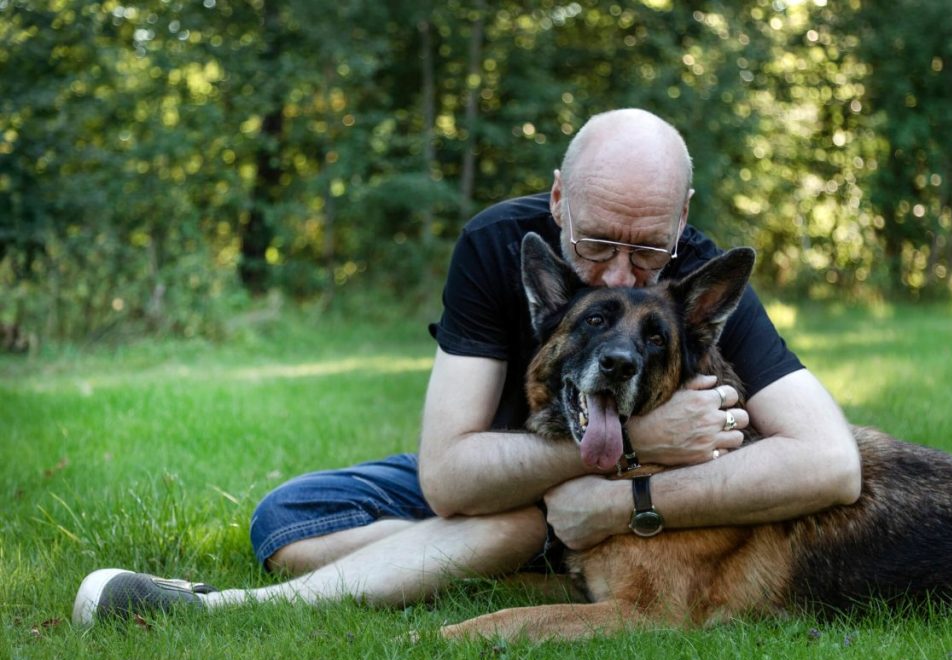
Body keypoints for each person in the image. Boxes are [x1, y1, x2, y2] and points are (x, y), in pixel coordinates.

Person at [72, 108, 860, 625]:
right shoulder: (495, 244)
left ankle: (233, 610)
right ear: (557, 202)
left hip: (625, 508)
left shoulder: (697, 282)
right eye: (596, 245)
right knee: (289, 521)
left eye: (648, 248)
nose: (621, 274)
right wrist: (644, 436)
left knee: (519, 517)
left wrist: (629, 498)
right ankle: (492, 550)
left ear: (682, 221)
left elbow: (832, 462)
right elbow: (449, 474)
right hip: (508, 469)